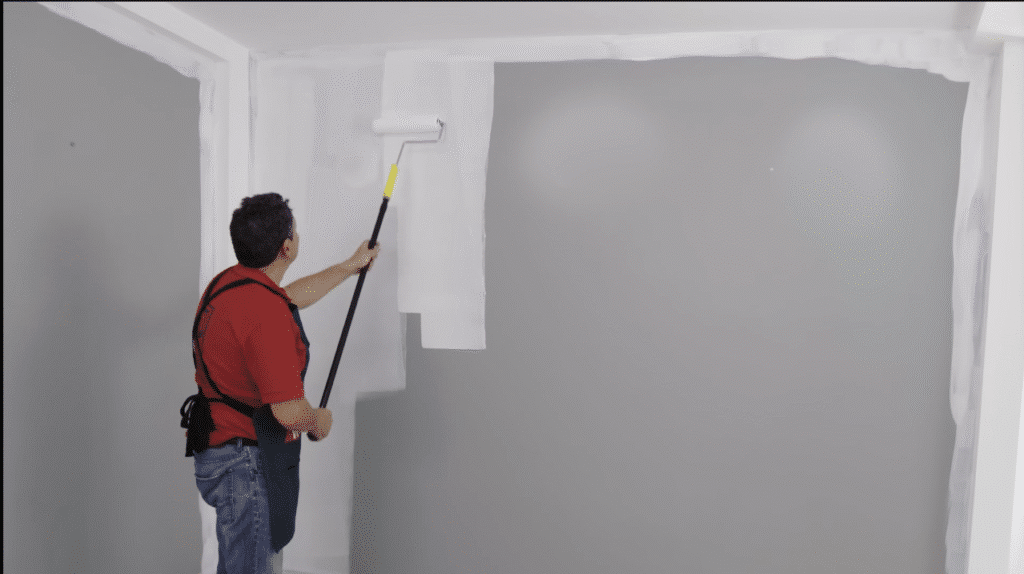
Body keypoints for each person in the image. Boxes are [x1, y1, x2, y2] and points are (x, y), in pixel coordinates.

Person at [181, 193, 379, 574]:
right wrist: (317, 421)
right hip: (246, 465)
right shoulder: (264, 315)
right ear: (287, 247)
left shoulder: (228, 285)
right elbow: (288, 411)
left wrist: (350, 266)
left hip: (217, 450)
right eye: (296, 232)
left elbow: (287, 298)